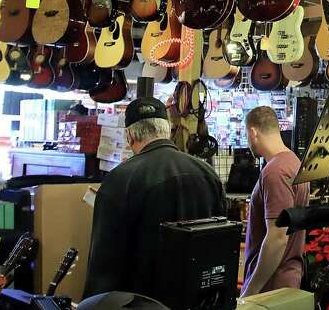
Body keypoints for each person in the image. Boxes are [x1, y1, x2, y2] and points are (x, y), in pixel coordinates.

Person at [84, 97, 225, 300]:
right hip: (198, 298)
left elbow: (104, 261)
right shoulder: (208, 173)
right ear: (166, 129)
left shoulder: (121, 179)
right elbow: (220, 240)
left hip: (141, 301)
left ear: (130, 135)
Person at [240, 106, 309, 297]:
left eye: (246, 134)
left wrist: (250, 292)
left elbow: (277, 238)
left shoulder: (275, 171)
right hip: (286, 281)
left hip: (270, 287)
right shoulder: (294, 163)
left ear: (253, 132)